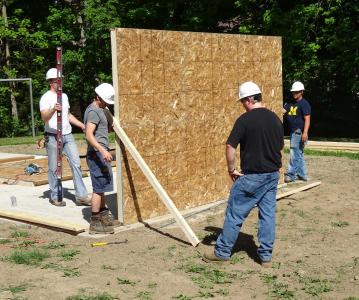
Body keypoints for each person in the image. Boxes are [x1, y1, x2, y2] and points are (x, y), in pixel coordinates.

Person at [203, 81, 284, 267]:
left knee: (234, 214)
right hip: (272, 176)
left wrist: (231, 169)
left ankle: (222, 252)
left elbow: (230, 146)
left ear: (248, 99)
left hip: (252, 177)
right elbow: (280, 147)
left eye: (242, 101)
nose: (242, 105)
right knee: (268, 215)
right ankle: (265, 257)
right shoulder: (275, 119)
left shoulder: (245, 120)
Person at [39, 68, 91, 207]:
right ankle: (55, 196)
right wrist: (53, 109)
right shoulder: (45, 97)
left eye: (61, 80)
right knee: (54, 167)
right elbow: (44, 117)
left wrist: (82, 125)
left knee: (76, 164)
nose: (61, 82)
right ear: (51, 82)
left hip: (67, 135)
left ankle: (81, 196)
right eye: (58, 80)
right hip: (53, 136)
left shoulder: (65, 96)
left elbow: (67, 115)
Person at [84, 83, 121, 234]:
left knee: (104, 185)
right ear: (98, 97)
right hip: (96, 154)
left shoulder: (101, 109)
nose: (106, 104)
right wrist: (102, 150)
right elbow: (89, 134)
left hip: (101, 152)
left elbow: (105, 127)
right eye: (105, 101)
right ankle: (94, 222)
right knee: (98, 188)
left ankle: (104, 216)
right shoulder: (93, 111)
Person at [283, 81, 311, 183]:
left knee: (294, 153)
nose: (294, 94)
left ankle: (291, 175)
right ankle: (303, 175)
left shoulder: (304, 104)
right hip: (293, 132)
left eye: (297, 92)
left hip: (299, 132)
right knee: (299, 154)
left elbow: (307, 119)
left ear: (301, 92)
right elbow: (282, 111)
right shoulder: (290, 103)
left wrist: (305, 132)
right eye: (293, 92)